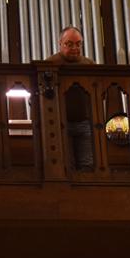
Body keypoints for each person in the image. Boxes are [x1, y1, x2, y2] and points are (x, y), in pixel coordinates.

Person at [47, 26, 95, 169]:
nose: (75, 48)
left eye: (78, 44)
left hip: (85, 122)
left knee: (87, 165)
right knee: (67, 166)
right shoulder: (50, 64)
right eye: (69, 44)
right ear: (60, 43)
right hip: (60, 124)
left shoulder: (89, 65)